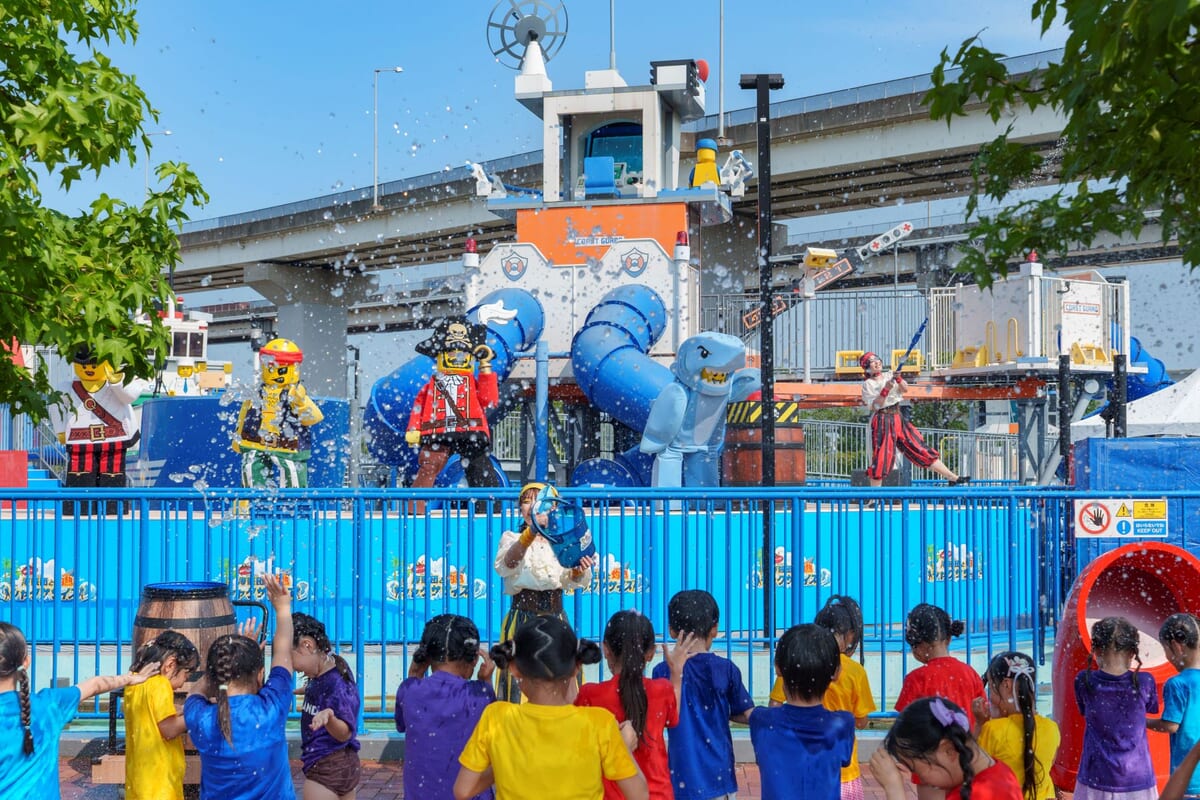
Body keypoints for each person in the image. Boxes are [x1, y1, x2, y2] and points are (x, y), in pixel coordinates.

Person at [453, 615, 648, 800]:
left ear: (513, 668)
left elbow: (463, 790)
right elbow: (639, 795)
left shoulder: (496, 717)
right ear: (577, 667)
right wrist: (624, 748)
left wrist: (506, 762)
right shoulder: (599, 723)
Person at [0, 621, 160, 799]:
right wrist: (131, 678)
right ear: (26, 662)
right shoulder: (49, 704)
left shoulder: (49, 703)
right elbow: (95, 684)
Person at [183, 573, 295, 800]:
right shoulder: (271, 709)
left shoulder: (201, 718)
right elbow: (283, 653)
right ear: (260, 675)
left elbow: (195, 693)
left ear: (213, 677)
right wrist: (283, 608)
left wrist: (224, 661)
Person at [576, 609, 700, 800]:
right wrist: (676, 673)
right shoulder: (661, 690)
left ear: (606, 649)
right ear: (650, 653)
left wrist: (571, 668)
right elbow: (673, 716)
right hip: (657, 795)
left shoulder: (591, 695)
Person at [493, 481, 595, 702]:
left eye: (539, 501)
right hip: (521, 619)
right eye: (526, 501)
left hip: (556, 618)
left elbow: (571, 580)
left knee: (562, 678)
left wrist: (578, 569)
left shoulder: (564, 541)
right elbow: (507, 564)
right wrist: (530, 533)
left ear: (553, 508)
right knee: (517, 682)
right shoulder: (512, 538)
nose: (532, 506)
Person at [650, 589, 755, 800]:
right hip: (719, 778)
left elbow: (659, 718)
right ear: (714, 629)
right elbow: (746, 713)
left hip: (680, 778)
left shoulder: (662, 672)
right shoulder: (725, 669)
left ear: (672, 630)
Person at [769, 595, 876, 800]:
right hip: (841, 771)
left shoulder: (795, 663)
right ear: (850, 635)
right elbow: (861, 721)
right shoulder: (855, 672)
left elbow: (774, 705)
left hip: (798, 763)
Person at [395, 614, 496, 800]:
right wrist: (486, 681)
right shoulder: (480, 694)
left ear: (426, 656)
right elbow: (494, 734)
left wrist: (414, 674)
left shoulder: (409, 690)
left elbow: (402, 724)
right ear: (475, 658)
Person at [751, 623, 856, 800]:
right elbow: (844, 760)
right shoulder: (842, 724)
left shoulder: (762, 720)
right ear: (837, 672)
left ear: (777, 668)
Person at [50, 345, 149, 514]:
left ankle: (112, 509)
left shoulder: (117, 383)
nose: (89, 369)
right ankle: (79, 509)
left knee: (112, 473)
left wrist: (117, 381)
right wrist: (60, 430)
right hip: (81, 438)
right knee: (80, 473)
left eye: (94, 365)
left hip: (114, 437)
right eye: (84, 365)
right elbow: (55, 406)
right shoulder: (67, 387)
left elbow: (129, 397)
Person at [406, 316, 501, 490]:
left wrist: (485, 368)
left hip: (470, 431)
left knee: (480, 469)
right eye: (451, 353)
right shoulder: (432, 385)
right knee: (429, 466)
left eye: (463, 353)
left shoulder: (472, 382)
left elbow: (489, 400)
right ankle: (417, 502)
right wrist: (414, 429)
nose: (458, 357)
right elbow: (419, 406)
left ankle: (489, 502)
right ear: (440, 355)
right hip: (438, 431)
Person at [869, 696, 1023, 800]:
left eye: (917, 771)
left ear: (949, 750)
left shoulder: (980, 794)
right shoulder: (999, 772)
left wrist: (894, 789)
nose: (919, 779)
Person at [1074, 616, 1158, 800]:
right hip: (1137, 778)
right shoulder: (1144, 682)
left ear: (1096, 650)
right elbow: (1149, 709)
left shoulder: (1084, 681)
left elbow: (1084, 711)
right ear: (1132, 653)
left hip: (1095, 776)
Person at [859, 351, 968, 488]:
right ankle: (874, 496)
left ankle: (952, 477)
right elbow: (875, 406)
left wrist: (898, 379)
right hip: (882, 419)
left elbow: (905, 389)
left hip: (897, 416)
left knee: (918, 447)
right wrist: (885, 389)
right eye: (872, 362)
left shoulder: (890, 374)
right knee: (882, 457)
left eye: (877, 359)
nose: (876, 362)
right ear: (867, 367)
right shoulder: (868, 384)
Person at [232, 337, 324, 489]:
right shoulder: (256, 392)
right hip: (255, 442)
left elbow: (313, 418)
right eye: (269, 368)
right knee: (251, 469)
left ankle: (294, 502)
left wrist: (300, 403)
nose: (274, 373)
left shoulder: (295, 393)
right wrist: (238, 437)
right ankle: (252, 501)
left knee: (292, 473)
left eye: (280, 369)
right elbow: (244, 413)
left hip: (287, 445)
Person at [124, 631, 201, 800]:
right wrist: (198, 713)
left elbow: (152, 713)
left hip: (139, 784)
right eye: (186, 675)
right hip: (160, 786)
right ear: (170, 665)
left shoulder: (135, 683)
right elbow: (169, 729)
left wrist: (182, 708)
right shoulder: (161, 685)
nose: (183, 684)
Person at [293, 612, 361, 800]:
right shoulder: (329, 668)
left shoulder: (337, 684)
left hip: (326, 765)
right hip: (343, 764)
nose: (290, 666)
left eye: (289, 657)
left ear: (307, 645)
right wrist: (309, 690)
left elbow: (345, 733)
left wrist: (330, 717)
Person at [975, 651, 1060, 800]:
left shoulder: (993, 730)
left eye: (991, 689)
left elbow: (974, 772)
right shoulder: (1052, 728)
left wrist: (979, 724)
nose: (990, 698)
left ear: (1006, 685)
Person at [896, 603, 987, 728]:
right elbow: (983, 715)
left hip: (930, 741)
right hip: (967, 740)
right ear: (949, 638)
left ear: (916, 643)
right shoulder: (970, 673)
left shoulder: (916, 679)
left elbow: (904, 727)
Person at [1149, 613, 1200, 798]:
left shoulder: (1177, 683)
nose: (1167, 657)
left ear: (1177, 646)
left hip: (1189, 780)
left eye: (1166, 650)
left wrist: (1143, 721)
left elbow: (1170, 725)